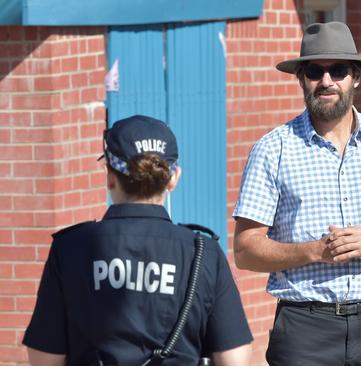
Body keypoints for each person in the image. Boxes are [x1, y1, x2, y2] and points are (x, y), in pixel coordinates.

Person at [233, 21, 361, 366]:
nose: (326, 81)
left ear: (356, 77)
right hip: (305, 326)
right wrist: (313, 251)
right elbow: (245, 250)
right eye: (314, 71)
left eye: (337, 70)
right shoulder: (272, 149)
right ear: (301, 79)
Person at [23, 115, 253, 366]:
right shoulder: (202, 252)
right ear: (173, 178)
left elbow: (45, 359)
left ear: (110, 175)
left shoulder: (70, 248)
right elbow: (233, 359)